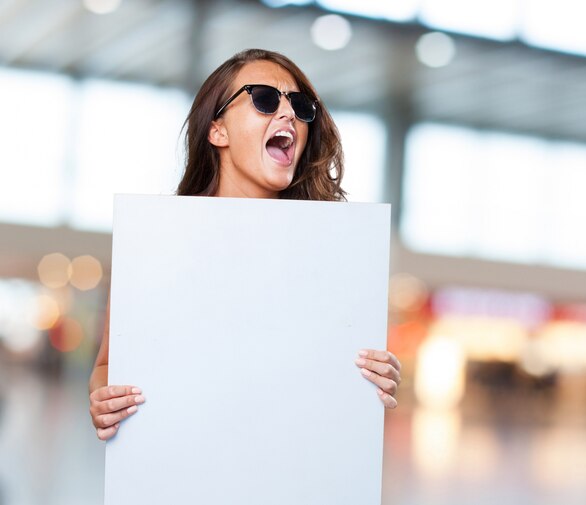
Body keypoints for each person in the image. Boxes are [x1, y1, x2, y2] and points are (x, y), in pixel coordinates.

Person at [89, 48, 402, 441]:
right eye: (265, 98)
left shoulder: (332, 255)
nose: (288, 114)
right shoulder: (155, 242)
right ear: (217, 129)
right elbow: (106, 367)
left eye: (301, 105)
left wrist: (373, 378)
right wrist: (103, 400)